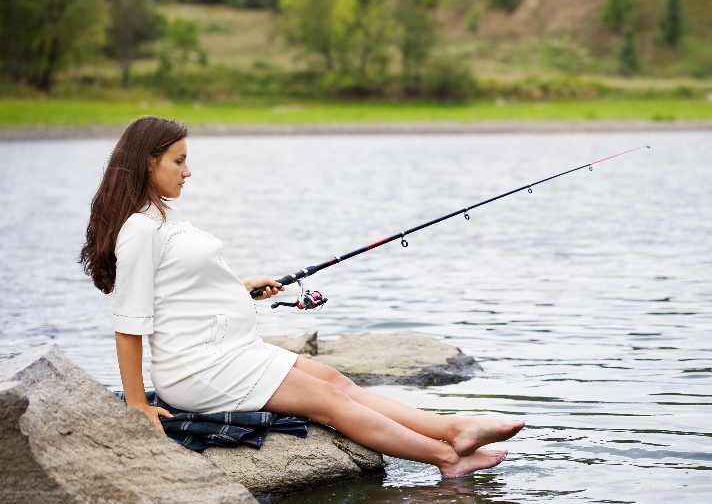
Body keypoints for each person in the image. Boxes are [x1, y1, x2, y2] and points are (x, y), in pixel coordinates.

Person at [79, 116, 524, 478]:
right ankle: (446, 457)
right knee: (330, 403)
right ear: (148, 162)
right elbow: (129, 322)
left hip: (228, 351)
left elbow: (179, 289)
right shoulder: (139, 230)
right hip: (200, 368)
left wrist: (240, 290)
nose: (188, 171)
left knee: (337, 382)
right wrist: (139, 405)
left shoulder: (163, 215)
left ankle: (454, 429)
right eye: (179, 161)